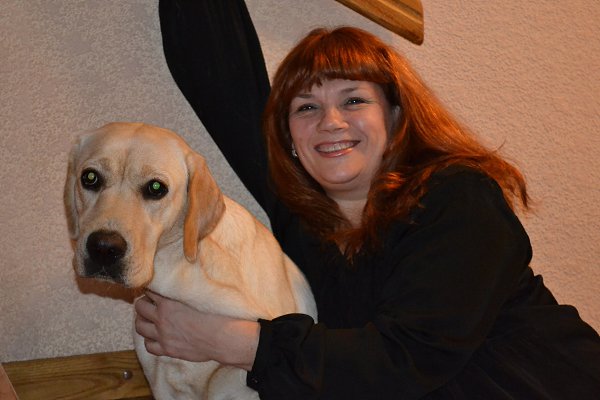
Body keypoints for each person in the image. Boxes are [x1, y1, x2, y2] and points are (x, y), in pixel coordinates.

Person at [135, 1, 600, 398]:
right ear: (289, 139)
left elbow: (407, 358)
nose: (330, 122)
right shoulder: (306, 226)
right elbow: (220, 81)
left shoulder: (458, 199)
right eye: (306, 107)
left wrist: (230, 341)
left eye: (354, 100)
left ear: (395, 117)